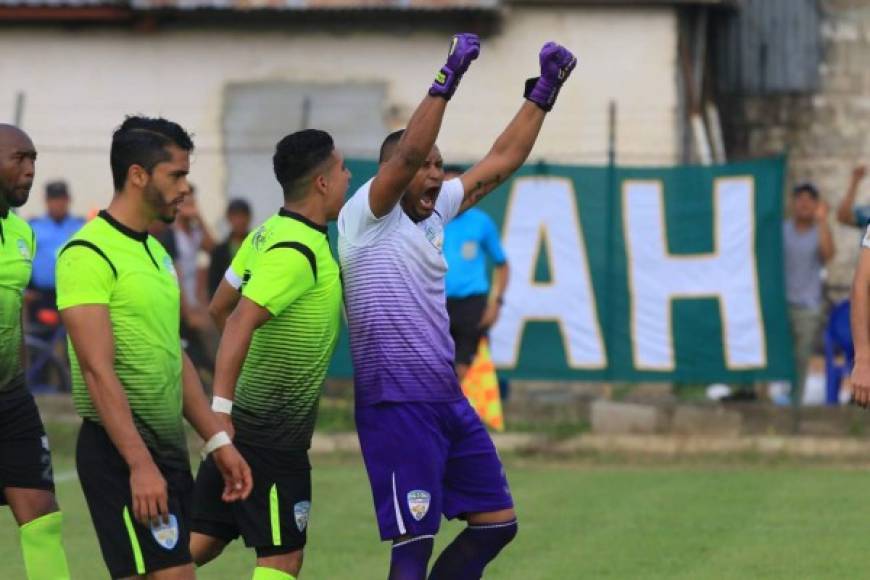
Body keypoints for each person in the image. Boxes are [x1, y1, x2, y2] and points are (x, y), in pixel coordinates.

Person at [338, 36, 576, 579]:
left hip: (445, 400)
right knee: (414, 545)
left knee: (497, 522)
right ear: (393, 173)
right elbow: (405, 154)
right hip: (396, 405)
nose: (434, 176)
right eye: (424, 165)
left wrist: (543, 93)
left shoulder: (437, 211)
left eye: (440, 166)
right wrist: (448, 76)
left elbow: (502, 159)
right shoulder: (365, 218)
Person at [56, 116, 252, 579]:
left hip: (166, 452)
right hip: (118, 453)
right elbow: (97, 371)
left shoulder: (157, 253)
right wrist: (139, 466)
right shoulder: (86, 254)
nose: (185, 188)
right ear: (138, 175)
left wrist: (218, 440)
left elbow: (174, 356)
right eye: (176, 175)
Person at [191, 129, 347, 580]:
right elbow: (237, 320)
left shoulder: (265, 234)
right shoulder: (297, 251)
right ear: (321, 183)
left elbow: (220, 305)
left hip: (244, 428)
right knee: (282, 558)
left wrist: (248, 367)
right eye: (340, 169)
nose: (347, 175)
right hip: (269, 437)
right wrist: (222, 408)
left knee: (202, 541)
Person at [0, 124, 71, 579]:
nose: (29, 171)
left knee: (43, 515)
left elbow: (15, 322)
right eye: (19, 159)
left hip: (10, 400)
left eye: (34, 160)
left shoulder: (22, 234)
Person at [443, 190, 509, 381]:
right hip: (436, 302)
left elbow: (502, 264)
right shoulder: (430, 221)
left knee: (467, 366)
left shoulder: (481, 222)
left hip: (471, 303)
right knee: (435, 365)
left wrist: (497, 303)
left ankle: (459, 408)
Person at [783, 183, 834, 405]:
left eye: (809, 199)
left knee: (802, 357)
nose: (804, 203)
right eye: (799, 198)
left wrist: (822, 221)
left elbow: (828, 254)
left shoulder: (819, 232)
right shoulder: (782, 229)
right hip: (781, 303)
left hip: (808, 306)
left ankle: (795, 404)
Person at [27, 180, 84, 322]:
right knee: (39, 342)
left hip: (74, 296)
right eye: (54, 199)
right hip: (41, 297)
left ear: (68, 200)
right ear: (46, 201)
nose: (58, 204)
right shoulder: (33, 227)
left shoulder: (81, 226)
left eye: (62, 199)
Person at [207, 198, 252, 298]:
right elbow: (213, 285)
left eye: (243, 216)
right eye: (235, 216)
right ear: (228, 218)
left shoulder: (257, 247)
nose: (239, 221)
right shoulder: (219, 251)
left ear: (249, 218)